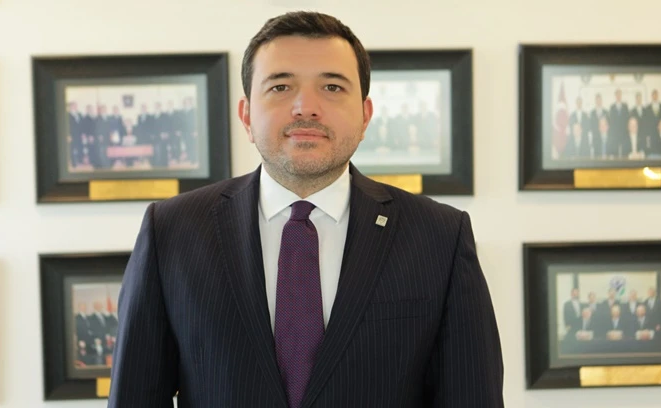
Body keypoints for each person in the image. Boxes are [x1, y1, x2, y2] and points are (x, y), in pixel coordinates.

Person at [108, 11, 504, 408]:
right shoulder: (172, 230)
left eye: (332, 87)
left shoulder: (439, 236)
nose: (305, 107)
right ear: (246, 115)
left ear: (365, 115)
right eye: (280, 86)